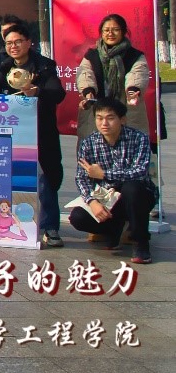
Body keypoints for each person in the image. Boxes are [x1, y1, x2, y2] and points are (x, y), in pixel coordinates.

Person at [0, 21, 67, 247]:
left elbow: (58, 93)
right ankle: (5, 222)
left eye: (18, 41)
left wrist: (37, 92)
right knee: (7, 178)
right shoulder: (1, 66)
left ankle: (50, 227)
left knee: (48, 177)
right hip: (10, 132)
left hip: (41, 131)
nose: (14, 46)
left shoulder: (44, 66)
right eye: (9, 43)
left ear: (29, 42)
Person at [70, 97, 157, 264]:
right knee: (78, 217)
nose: (104, 123)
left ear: (122, 119)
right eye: (99, 118)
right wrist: (92, 201)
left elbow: (139, 172)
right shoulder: (89, 143)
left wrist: (104, 174)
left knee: (132, 188)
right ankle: (113, 229)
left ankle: (141, 242)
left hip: (138, 196)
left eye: (110, 118)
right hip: (107, 198)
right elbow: (81, 178)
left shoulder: (139, 138)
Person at [75, 13, 151, 139]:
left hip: (125, 108)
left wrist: (132, 91)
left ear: (123, 32)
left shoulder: (135, 55)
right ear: (101, 32)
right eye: (106, 30)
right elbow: (85, 74)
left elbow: (137, 74)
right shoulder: (92, 55)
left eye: (115, 30)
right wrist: (88, 92)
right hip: (98, 109)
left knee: (129, 146)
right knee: (94, 147)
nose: (110, 33)